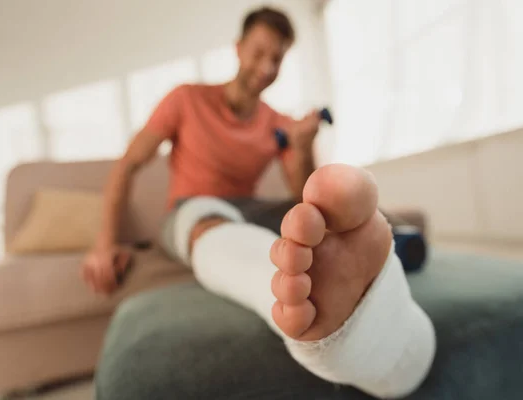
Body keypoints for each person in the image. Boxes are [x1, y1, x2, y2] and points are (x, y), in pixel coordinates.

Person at [82, 6, 436, 399]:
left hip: (249, 206)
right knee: (208, 221)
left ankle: (386, 256)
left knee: (312, 216)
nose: (267, 66)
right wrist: (104, 243)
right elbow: (127, 166)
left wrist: (302, 147)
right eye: (259, 52)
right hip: (192, 208)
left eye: (278, 58)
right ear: (237, 49)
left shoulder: (277, 123)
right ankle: (313, 312)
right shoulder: (185, 99)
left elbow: (305, 193)